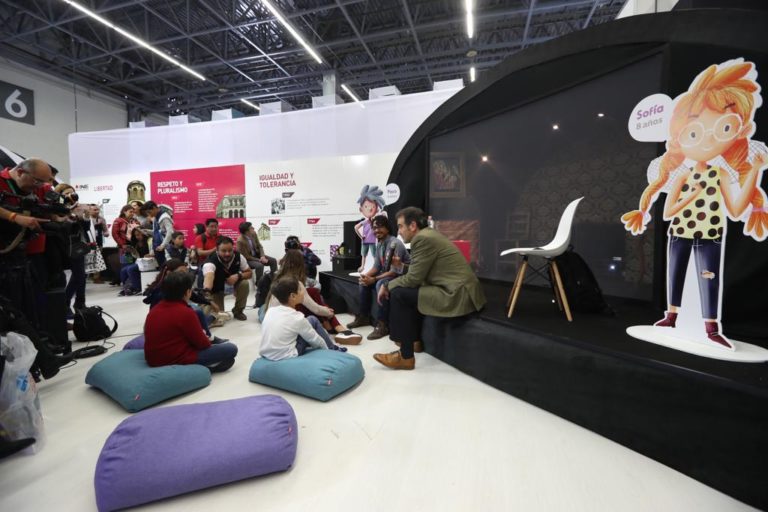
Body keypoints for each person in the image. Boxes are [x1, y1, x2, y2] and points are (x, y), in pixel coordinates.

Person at [621, 60, 768, 350]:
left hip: (710, 237)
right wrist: (690, 195)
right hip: (679, 233)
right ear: (678, 137)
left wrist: (754, 172)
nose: (708, 139)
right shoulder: (682, 174)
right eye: (693, 133)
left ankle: (710, 327)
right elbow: (668, 212)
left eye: (724, 128)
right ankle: (671, 316)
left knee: (708, 280)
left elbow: (736, 209)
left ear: (738, 132)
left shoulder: (723, 172)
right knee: (675, 275)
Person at [373, 207, 487, 370]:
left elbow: (413, 278)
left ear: (412, 226)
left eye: (400, 226)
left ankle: (405, 356)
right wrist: (401, 266)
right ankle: (413, 342)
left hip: (456, 293)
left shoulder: (422, 239)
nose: (399, 231)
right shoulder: (428, 235)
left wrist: (387, 285)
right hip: (459, 289)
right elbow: (418, 270)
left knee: (399, 294)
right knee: (407, 292)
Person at [144, 272, 238, 372]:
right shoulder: (186, 312)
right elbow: (203, 344)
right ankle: (200, 368)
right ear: (188, 292)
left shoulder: (154, 310)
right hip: (175, 359)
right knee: (231, 349)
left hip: (152, 360)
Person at [267, 249, 362, 344]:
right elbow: (315, 308)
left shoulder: (278, 279)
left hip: (277, 320)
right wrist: (328, 312)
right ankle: (337, 328)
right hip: (290, 323)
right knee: (313, 293)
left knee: (312, 293)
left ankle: (330, 326)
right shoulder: (295, 283)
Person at [347, 215, 410, 340]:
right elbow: (376, 267)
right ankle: (364, 317)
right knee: (364, 282)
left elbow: (394, 271)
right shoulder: (380, 244)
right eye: (374, 228)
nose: (376, 230)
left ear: (387, 228)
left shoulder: (394, 243)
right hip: (390, 273)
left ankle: (383, 324)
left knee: (380, 283)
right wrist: (365, 276)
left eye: (379, 227)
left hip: (403, 275)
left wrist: (374, 279)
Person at [260, 276, 347, 361]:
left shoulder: (270, 311)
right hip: (287, 356)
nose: (304, 292)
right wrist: (327, 350)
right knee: (312, 320)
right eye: (301, 289)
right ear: (293, 296)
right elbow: (315, 339)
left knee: (303, 326)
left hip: (267, 354)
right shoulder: (297, 317)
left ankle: (331, 346)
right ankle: (332, 349)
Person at [143, 258, 224, 344]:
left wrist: (209, 302)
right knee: (197, 312)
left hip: (172, 316)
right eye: (181, 272)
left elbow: (193, 296)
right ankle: (210, 326)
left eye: (185, 272)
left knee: (197, 313)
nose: (185, 274)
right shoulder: (161, 292)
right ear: (169, 273)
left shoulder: (175, 284)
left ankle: (210, 323)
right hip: (165, 321)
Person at [54, 183, 88, 317]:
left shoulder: (78, 207)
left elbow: (84, 227)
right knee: (73, 276)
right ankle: (66, 304)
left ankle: (79, 303)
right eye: (67, 193)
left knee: (81, 275)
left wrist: (82, 217)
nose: (70, 196)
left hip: (77, 245)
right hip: (61, 245)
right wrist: (68, 215)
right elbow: (59, 226)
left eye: (72, 193)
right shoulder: (57, 207)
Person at [201, 236, 252, 321]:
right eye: (223, 251)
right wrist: (208, 295)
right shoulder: (210, 262)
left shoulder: (239, 256)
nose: (227, 254)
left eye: (230, 250)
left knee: (244, 284)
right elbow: (208, 278)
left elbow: (249, 272)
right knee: (220, 316)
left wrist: (238, 276)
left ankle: (238, 311)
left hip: (233, 283)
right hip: (217, 288)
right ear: (217, 250)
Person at [354, 185, 386, 272]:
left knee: (374, 255)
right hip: (365, 241)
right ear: (361, 209)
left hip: (373, 241)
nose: (370, 209)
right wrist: (361, 237)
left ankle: (376, 266)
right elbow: (356, 227)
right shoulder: (365, 221)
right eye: (366, 207)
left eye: (373, 207)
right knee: (364, 254)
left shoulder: (375, 220)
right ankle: (362, 266)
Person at [140, 200, 174, 267]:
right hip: (158, 248)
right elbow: (157, 232)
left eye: (149, 212)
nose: (149, 214)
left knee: (166, 269)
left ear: (154, 208)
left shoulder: (165, 217)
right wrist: (146, 231)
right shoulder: (156, 217)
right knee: (162, 269)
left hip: (164, 249)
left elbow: (170, 232)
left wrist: (163, 245)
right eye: (147, 213)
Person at [118, 227, 149, 296]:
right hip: (139, 261)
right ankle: (126, 287)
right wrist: (131, 252)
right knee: (123, 270)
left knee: (130, 269)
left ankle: (137, 288)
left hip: (147, 262)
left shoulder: (148, 241)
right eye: (136, 235)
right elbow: (136, 256)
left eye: (138, 235)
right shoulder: (136, 243)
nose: (137, 237)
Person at [86, 204, 108, 283]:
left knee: (97, 260)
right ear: (89, 210)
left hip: (98, 242)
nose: (97, 211)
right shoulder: (86, 219)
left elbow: (105, 229)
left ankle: (96, 277)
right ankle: (88, 277)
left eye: (98, 210)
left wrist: (106, 233)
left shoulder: (101, 219)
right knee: (89, 259)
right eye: (94, 210)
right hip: (88, 242)